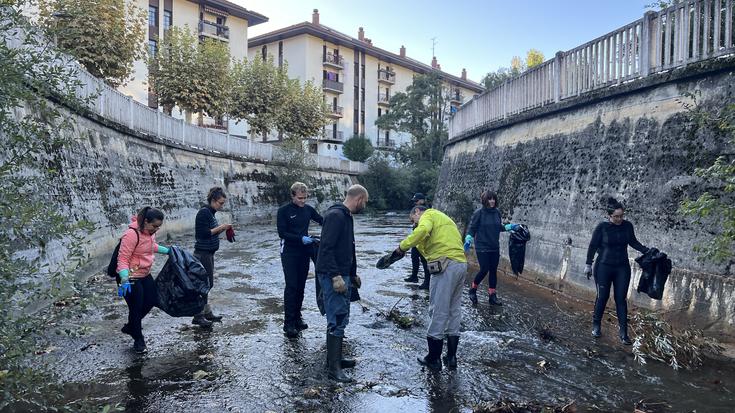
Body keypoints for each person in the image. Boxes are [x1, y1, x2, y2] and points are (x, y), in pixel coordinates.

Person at [395, 206, 467, 371]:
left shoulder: (428, 215)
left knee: (438, 310)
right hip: (461, 264)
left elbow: (422, 230)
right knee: (454, 310)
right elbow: (427, 246)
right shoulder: (444, 219)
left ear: (417, 212)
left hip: (445, 265)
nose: (414, 224)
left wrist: (402, 247)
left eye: (412, 220)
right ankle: (451, 357)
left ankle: (433, 359)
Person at [316, 184, 368, 382]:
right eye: (365, 202)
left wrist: (353, 274)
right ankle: (333, 368)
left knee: (342, 316)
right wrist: (336, 276)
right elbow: (326, 248)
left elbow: (349, 248)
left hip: (343, 274)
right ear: (359, 199)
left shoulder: (345, 216)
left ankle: (335, 359)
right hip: (333, 275)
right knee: (336, 318)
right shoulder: (335, 216)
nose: (364, 206)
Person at [585, 197, 649, 345]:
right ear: (609, 216)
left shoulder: (627, 226)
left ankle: (623, 333)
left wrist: (646, 250)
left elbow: (633, 242)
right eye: (616, 216)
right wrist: (588, 264)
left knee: (621, 299)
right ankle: (596, 326)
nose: (619, 219)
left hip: (622, 267)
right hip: (603, 266)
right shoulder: (602, 227)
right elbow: (593, 246)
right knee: (603, 296)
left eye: (621, 216)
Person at [116, 207, 170, 353]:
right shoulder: (131, 235)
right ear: (145, 221)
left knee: (153, 299)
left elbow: (151, 246)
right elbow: (122, 258)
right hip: (130, 276)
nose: (156, 229)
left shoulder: (149, 233)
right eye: (154, 226)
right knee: (136, 306)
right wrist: (124, 278)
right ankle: (138, 340)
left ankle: (131, 326)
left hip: (144, 274)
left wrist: (169, 251)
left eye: (159, 226)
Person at [277, 182, 323, 338]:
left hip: (304, 252)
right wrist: (300, 238)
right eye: (300, 198)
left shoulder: (308, 210)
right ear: (292, 195)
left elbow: (323, 220)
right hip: (289, 252)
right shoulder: (284, 211)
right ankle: (288, 323)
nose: (303, 201)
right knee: (291, 286)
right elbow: (282, 233)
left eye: (305, 198)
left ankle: (297, 317)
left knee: (301, 286)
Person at [464, 190, 519, 306]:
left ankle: (492, 296)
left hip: (494, 246)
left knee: (493, 270)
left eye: (493, 199)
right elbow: (472, 228)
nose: (492, 201)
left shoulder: (497, 212)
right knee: (484, 269)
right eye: (489, 199)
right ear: (485, 200)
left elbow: (499, 227)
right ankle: (473, 289)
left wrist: (510, 227)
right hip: (482, 246)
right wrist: (468, 238)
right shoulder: (479, 213)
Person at [192, 187, 233, 327]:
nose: (222, 206)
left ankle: (206, 312)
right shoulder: (204, 213)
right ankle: (198, 315)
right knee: (204, 284)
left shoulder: (210, 212)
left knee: (207, 284)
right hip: (202, 253)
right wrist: (222, 228)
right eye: (220, 203)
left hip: (208, 253)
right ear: (213, 200)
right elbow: (203, 233)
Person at [405, 193, 431, 289]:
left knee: (424, 260)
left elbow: (425, 228)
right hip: (416, 236)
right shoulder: (417, 210)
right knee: (414, 257)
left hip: (423, 237)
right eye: (414, 201)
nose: (415, 203)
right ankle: (414, 276)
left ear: (422, 200)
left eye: (417, 201)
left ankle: (427, 281)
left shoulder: (427, 210)